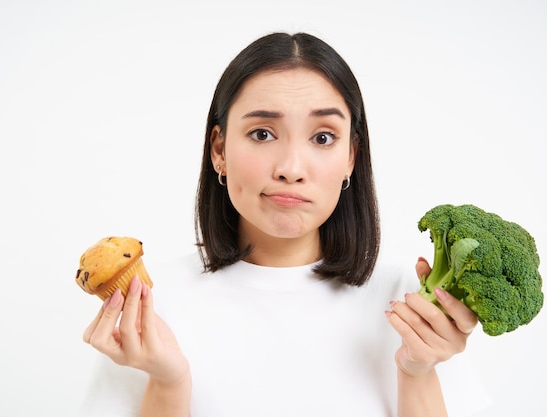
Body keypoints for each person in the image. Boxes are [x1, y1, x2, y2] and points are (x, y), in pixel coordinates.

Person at [79, 32, 489, 417]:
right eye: (262, 133)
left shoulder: (413, 306)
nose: (291, 169)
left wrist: (415, 372)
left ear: (351, 157)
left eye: (323, 138)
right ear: (219, 149)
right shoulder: (150, 304)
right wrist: (169, 382)